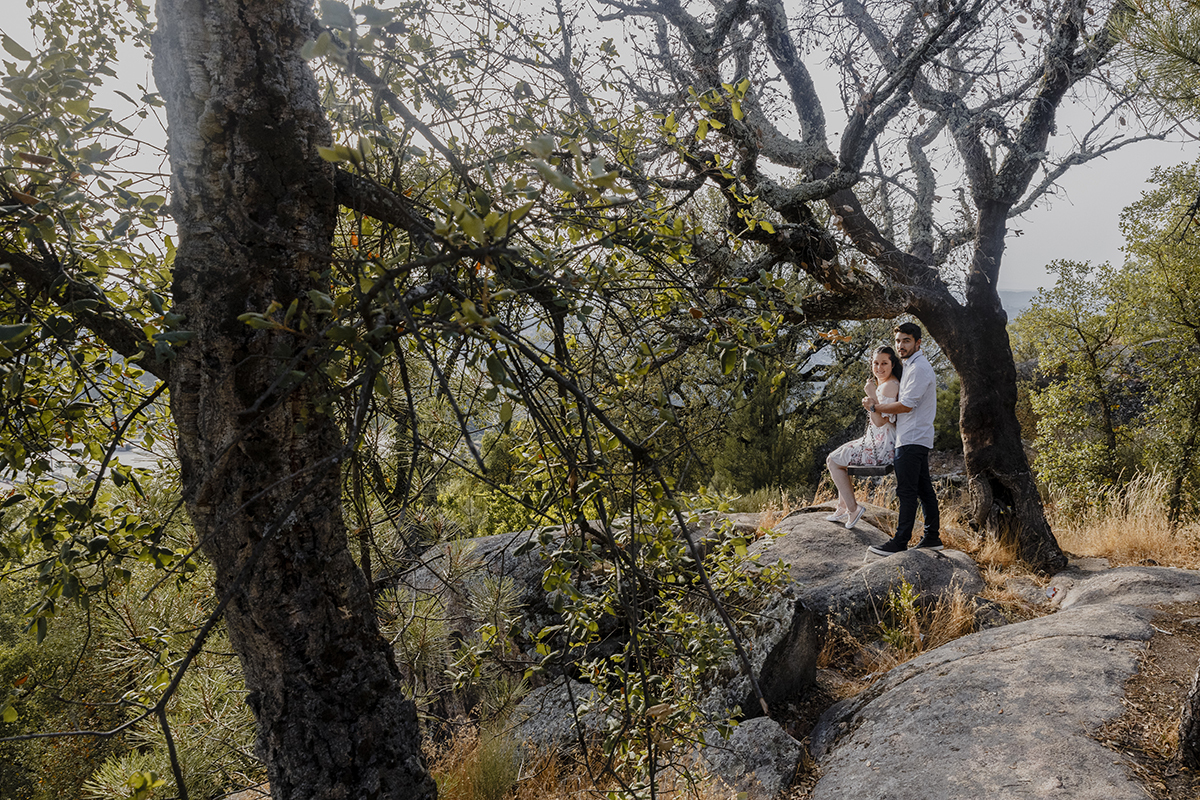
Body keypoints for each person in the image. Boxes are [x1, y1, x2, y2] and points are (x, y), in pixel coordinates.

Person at [868, 322, 943, 555]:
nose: (901, 345)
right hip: (912, 437)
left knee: (907, 492)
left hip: (911, 438)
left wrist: (874, 406)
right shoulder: (911, 366)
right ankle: (932, 537)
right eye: (898, 341)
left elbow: (907, 406)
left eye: (906, 340)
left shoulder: (919, 368)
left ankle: (900, 542)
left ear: (918, 343)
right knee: (923, 490)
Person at [825, 346, 902, 530]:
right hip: (876, 440)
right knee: (839, 458)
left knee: (833, 461)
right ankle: (842, 506)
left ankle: (852, 508)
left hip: (882, 445)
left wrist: (872, 396)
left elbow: (881, 422)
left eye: (884, 363)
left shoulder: (890, 386)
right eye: (875, 363)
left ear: (892, 365)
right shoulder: (885, 383)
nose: (879, 367)